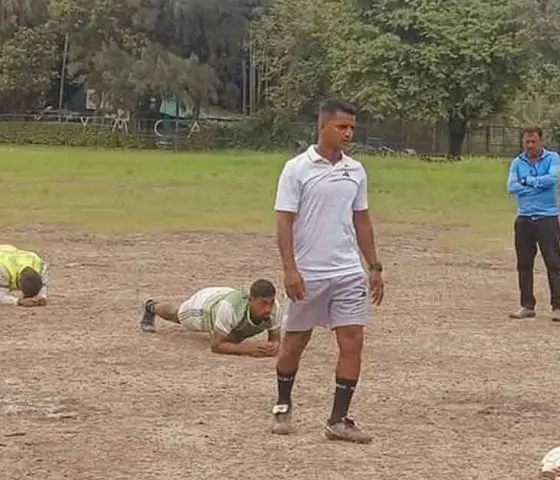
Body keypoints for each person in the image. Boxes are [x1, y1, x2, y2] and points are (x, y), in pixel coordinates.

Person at [272, 99, 385, 444]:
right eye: (342, 127)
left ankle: (338, 419)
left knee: (353, 341)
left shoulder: (356, 170)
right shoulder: (297, 169)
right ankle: (282, 403)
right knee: (294, 342)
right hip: (310, 272)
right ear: (323, 127)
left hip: (348, 272)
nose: (349, 133)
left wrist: (374, 266)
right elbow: (284, 223)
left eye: (352, 127)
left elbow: (361, 219)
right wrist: (290, 270)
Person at [506, 127, 560, 321]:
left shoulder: (552, 158)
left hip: (547, 218)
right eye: (527, 142)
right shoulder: (517, 162)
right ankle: (527, 305)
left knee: (553, 263)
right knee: (524, 264)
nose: (530, 146)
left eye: (533, 142)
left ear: (541, 141)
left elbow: (552, 179)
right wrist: (537, 185)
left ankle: (557, 307)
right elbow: (511, 187)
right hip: (524, 218)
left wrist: (527, 182)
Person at [138, 279, 281, 358]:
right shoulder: (230, 308)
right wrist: (247, 348)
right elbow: (216, 346)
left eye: (270, 302)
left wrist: (274, 346)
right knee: (177, 314)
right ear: (251, 300)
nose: (268, 309)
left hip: (226, 296)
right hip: (205, 306)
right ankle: (151, 307)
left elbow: (275, 340)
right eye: (263, 303)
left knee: (231, 336)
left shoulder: (275, 308)